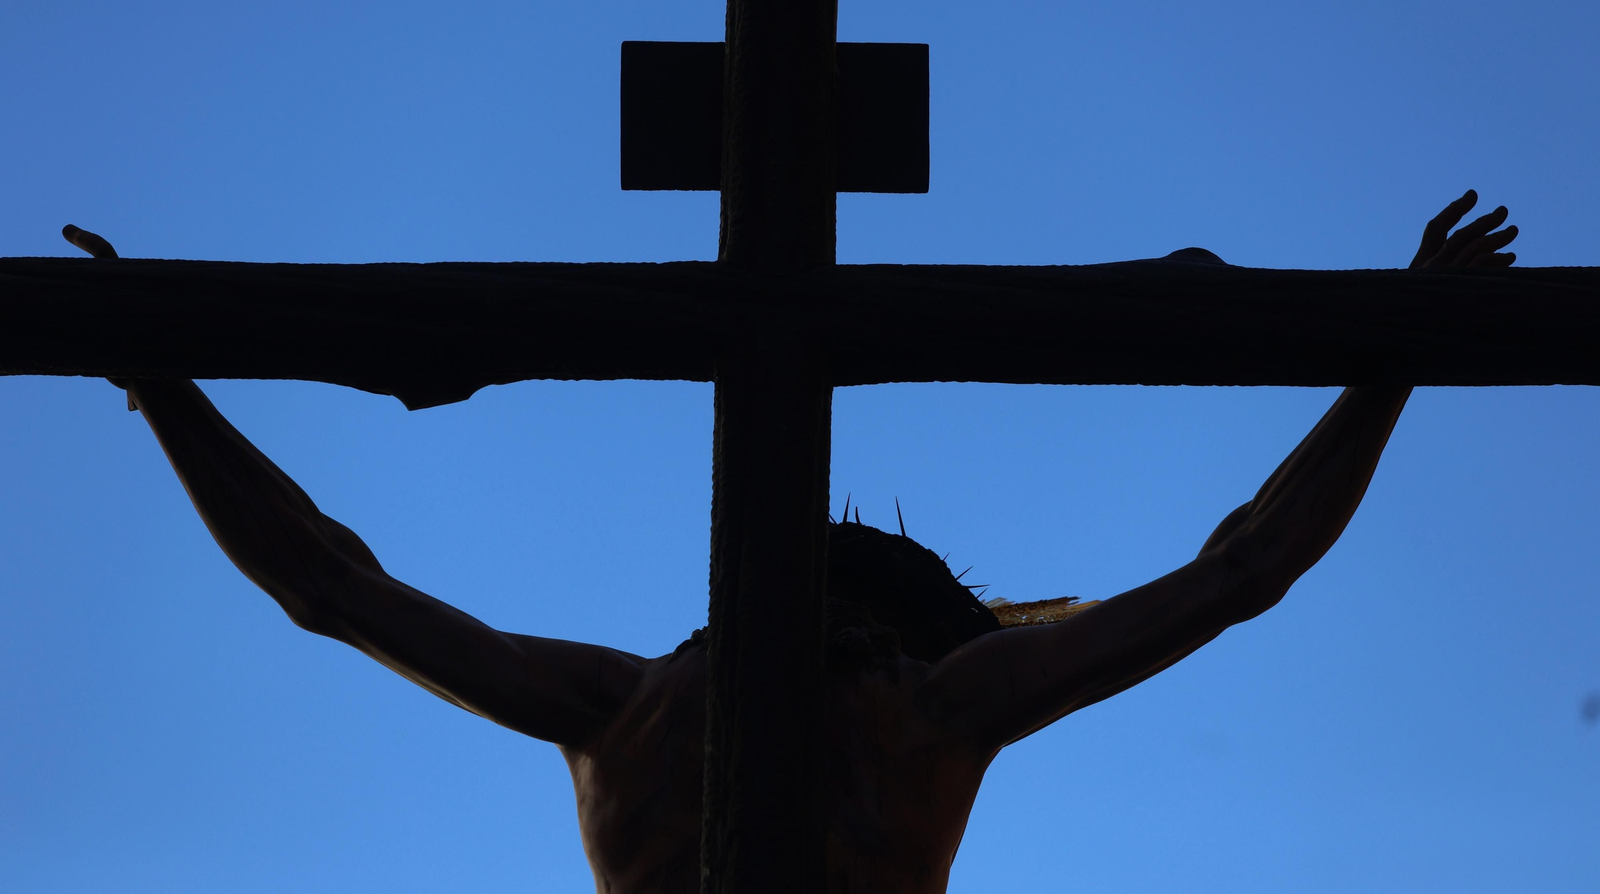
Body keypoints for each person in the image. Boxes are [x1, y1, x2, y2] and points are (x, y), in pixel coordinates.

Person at [74, 192, 1517, 893]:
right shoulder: (917, 713)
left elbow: (328, 584)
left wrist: (161, 383)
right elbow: (1243, 569)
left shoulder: (641, 708)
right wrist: (1393, 356)